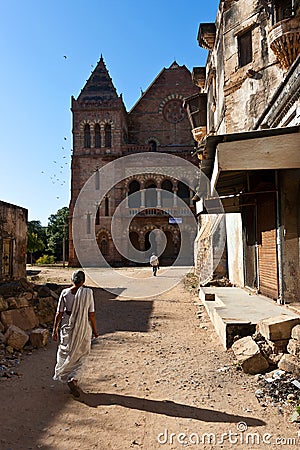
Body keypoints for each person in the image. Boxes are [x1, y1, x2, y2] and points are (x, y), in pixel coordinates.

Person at [52, 270, 98, 397]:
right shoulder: (88, 293)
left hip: (68, 324)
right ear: (83, 281)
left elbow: (59, 313)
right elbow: (91, 314)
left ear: (72, 280)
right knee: (82, 354)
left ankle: (68, 375)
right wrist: (95, 330)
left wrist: (55, 330)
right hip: (83, 326)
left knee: (66, 352)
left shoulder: (65, 293)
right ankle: (74, 378)